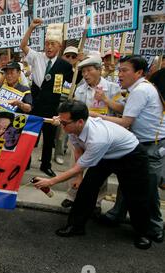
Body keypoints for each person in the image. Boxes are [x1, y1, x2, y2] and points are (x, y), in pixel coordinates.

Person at [33, 100, 153, 249]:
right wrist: (79, 177)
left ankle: (143, 233)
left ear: (80, 121)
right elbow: (78, 150)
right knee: (86, 189)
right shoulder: (72, 128)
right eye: (61, 122)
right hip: (106, 155)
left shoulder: (97, 138)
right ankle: (76, 226)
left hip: (131, 156)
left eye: (64, 123)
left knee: (135, 195)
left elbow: (78, 166)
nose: (61, 126)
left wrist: (51, 182)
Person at [93, 55, 164, 244]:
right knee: (127, 180)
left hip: (151, 146)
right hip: (138, 144)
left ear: (139, 72)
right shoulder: (137, 89)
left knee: (147, 189)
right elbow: (122, 109)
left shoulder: (141, 90)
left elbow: (125, 121)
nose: (120, 74)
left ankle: (155, 226)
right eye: (119, 70)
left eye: (125, 70)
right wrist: (106, 101)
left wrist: (95, 116)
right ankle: (117, 214)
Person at [61, 55, 126, 211]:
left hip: (103, 135)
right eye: (83, 71)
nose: (85, 74)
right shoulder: (81, 89)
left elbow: (123, 109)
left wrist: (105, 99)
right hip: (80, 132)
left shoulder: (112, 88)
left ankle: (97, 201)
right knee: (75, 162)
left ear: (99, 70)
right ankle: (72, 195)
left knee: (98, 168)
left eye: (89, 70)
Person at [20, 18, 74, 177]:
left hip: (52, 107)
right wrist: (31, 28)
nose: (49, 47)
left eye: (53, 44)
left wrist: (79, 64)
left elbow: (75, 80)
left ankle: (45, 164)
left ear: (59, 46)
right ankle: (26, 162)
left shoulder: (65, 65)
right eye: (47, 43)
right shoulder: (36, 57)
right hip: (35, 104)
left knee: (49, 138)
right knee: (30, 136)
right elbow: (23, 46)